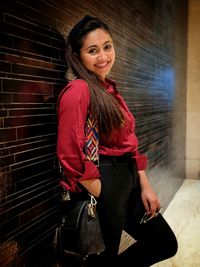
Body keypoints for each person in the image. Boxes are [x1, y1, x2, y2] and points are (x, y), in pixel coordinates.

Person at [56, 15, 178, 267]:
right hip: (105, 181)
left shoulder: (107, 88)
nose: (103, 57)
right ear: (78, 56)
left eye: (107, 47)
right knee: (103, 256)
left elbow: (129, 143)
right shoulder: (79, 90)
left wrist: (144, 184)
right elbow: (69, 152)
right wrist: (103, 192)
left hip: (129, 178)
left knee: (164, 243)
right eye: (93, 50)